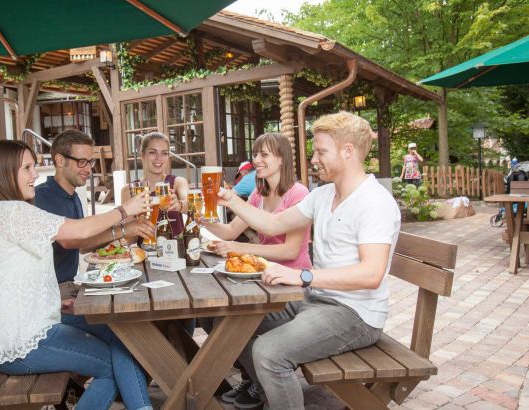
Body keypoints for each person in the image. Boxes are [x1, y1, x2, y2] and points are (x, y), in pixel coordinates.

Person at [216, 112, 401, 409]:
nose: (314, 159)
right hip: (317, 300)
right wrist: (232, 201)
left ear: (348, 151)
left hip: (356, 313)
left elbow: (371, 274)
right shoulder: (323, 195)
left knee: (269, 352)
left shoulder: (374, 202)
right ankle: (267, 393)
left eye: (321, 151)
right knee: (236, 319)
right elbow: (274, 225)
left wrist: (303, 277)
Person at [0, 140, 152, 410]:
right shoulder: (11, 211)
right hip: (21, 343)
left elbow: (13, 275)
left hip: (32, 325)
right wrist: (124, 210)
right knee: (110, 367)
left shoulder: (3, 212)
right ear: (3, 172)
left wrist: (52, 302)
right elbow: (74, 232)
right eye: (27, 168)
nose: (35, 174)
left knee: (121, 334)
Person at [201, 133, 312, 408]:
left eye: (264, 154)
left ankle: (260, 385)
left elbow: (289, 252)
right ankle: (254, 378)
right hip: (262, 281)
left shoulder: (299, 194)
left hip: (293, 289)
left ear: (282, 158)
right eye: (256, 153)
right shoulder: (258, 194)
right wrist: (205, 220)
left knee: (227, 324)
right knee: (208, 315)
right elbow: (230, 231)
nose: (256, 160)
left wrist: (240, 249)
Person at [35, 129, 154, 294]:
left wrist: (129, 228)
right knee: (126, 312)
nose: (89, 169)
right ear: (60, 160)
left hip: (69, 285)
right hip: (52, 292)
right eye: (82, 161)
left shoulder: (72, 196)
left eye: (90, 162)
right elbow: (71, 241)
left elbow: (84, 245)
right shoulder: (43, 196)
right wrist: (124, 219)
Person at [121, 131, 189, 237]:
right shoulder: (128, 190)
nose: (159, 158)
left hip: (176, 250)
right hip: (144, 251)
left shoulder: (178, 183)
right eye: (153, 152)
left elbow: (191, 205)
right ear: (142, 155)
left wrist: (179, 205)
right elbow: (130, 239)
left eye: (164, 153)